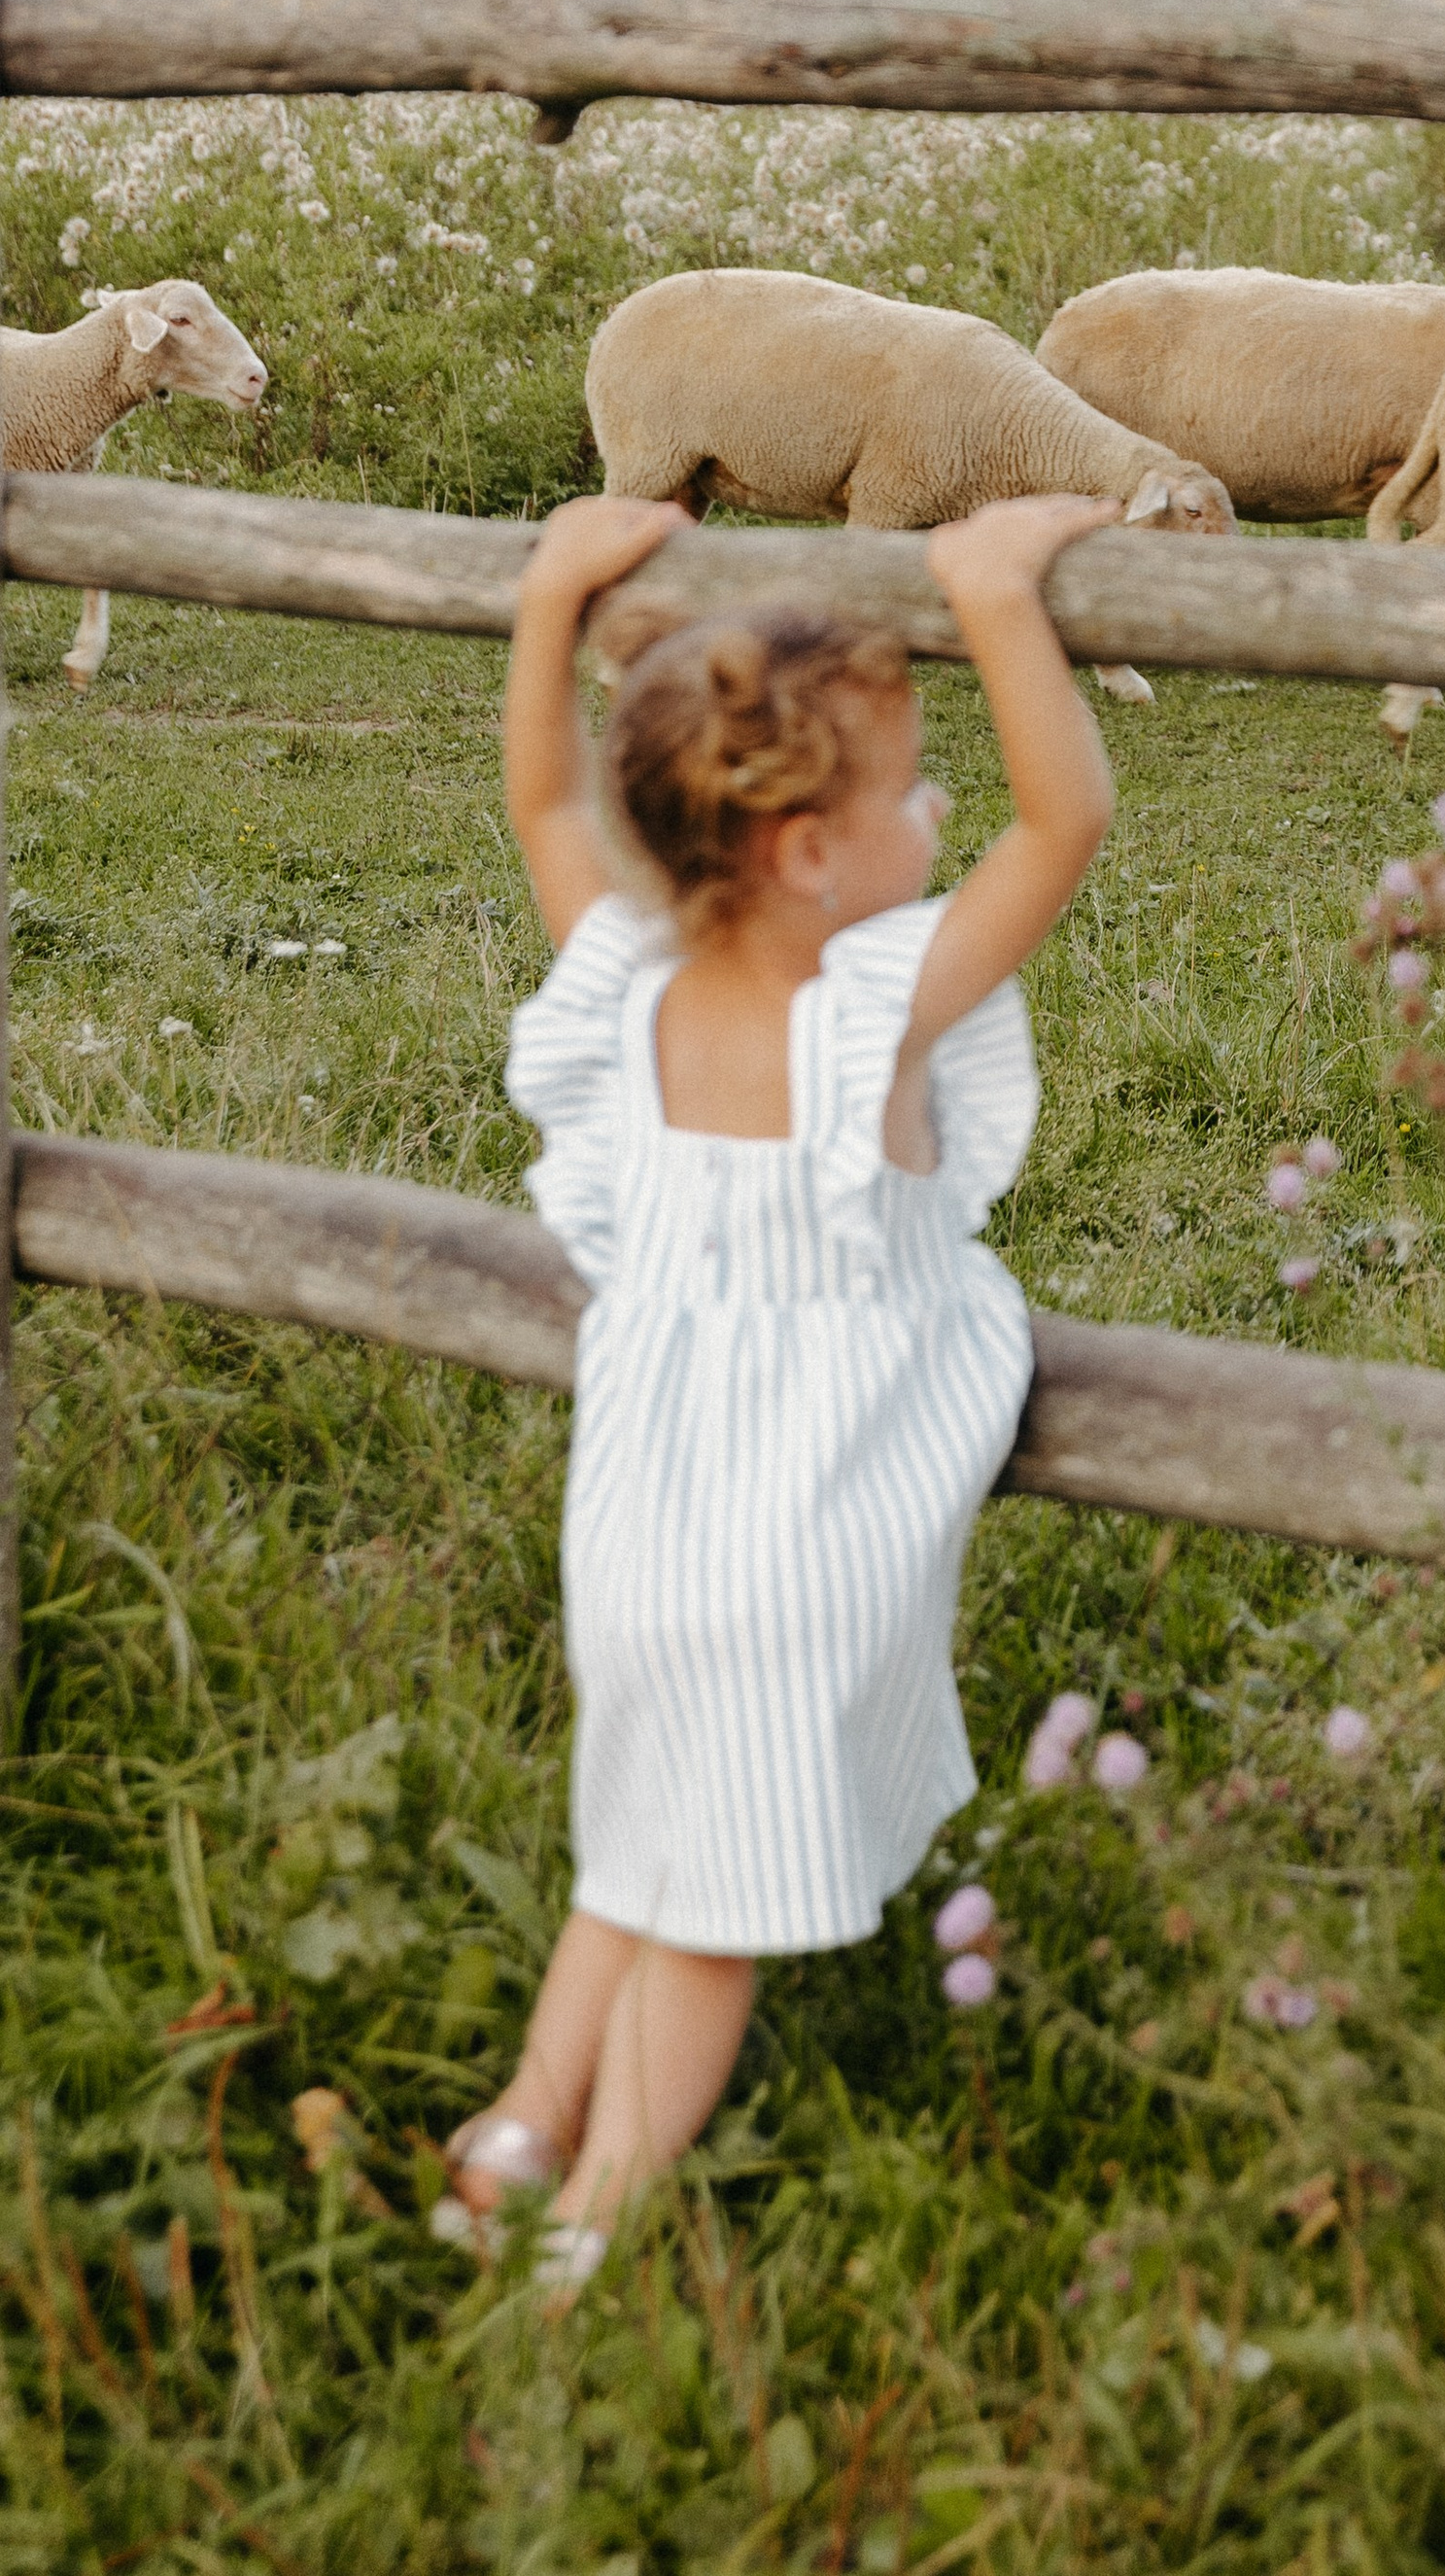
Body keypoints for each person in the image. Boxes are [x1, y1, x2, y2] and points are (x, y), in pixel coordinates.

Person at [433, 486, 1118, 2291]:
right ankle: (589, 2239)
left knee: (640, 1834)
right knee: (715, 1911)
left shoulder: (629, 985)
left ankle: (516, 2128)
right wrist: (991, 596)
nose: (937, 815)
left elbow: (540, 802)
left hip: (644, 1510)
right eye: (905, 794)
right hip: (801, 1530)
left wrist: (546, 600)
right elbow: (1070, 820)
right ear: (810, 852)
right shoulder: (868, 1009)